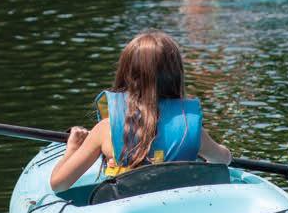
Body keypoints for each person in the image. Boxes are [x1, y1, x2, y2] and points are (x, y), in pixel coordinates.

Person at [49, 30, 230, 193]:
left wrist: (72, 149)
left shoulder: (105, 130)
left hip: (127, 207)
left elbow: (58, 184)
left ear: (125, 74)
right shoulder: (191, 131)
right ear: (176, 76)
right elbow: (224, 159)